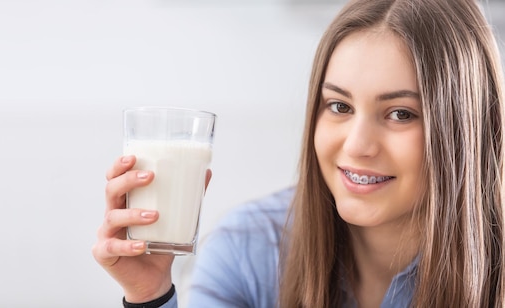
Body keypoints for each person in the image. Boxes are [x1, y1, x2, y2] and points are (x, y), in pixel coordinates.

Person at [93, 0, 505, 306]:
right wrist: (150, 295)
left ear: (464, 127)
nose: (357, 145)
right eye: (339, 106)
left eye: (400, 113)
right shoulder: (248, 248)